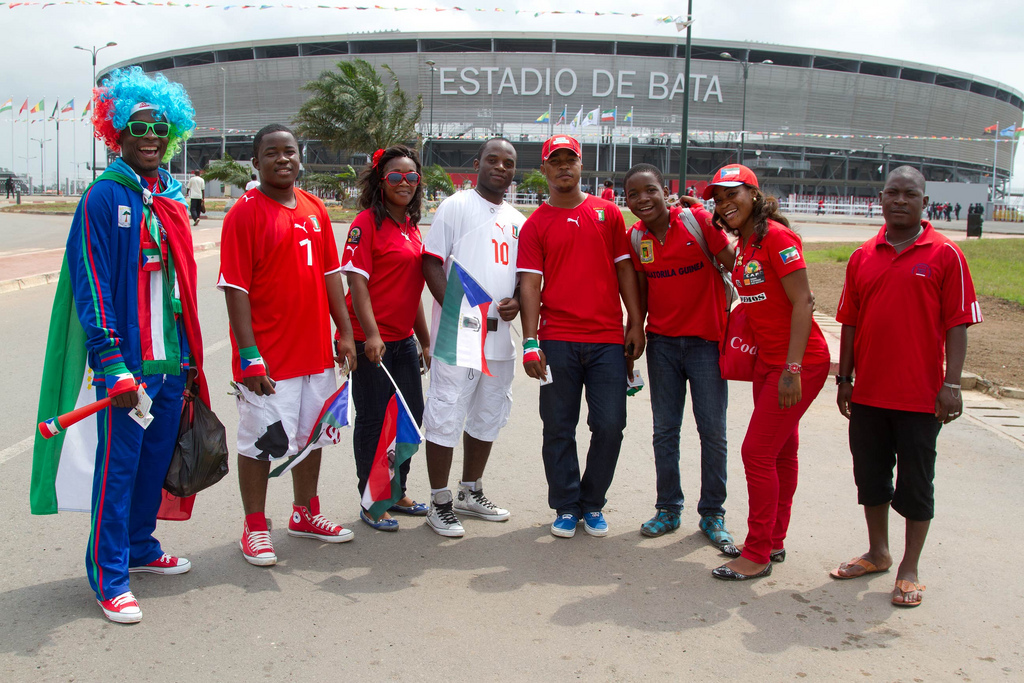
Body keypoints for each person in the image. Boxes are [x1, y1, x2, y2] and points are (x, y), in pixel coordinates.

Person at [32, 67, 206, 623]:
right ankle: (109, 576)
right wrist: (112, 362)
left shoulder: (170, 196)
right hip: (128, 363)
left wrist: (188, 357)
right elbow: (92, 282)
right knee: (119, 470)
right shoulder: (104, 197)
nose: (151, 137)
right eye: (139, 127)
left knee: (154, 463)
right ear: (117, 133)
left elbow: (179, 286)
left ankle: (139, 545)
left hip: (170, 358)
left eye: (160, 127)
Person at [832, 166, 982, 608]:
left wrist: (952, 384)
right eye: (892, 193)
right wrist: (844, 379)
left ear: (924, 202)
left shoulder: (945, 254)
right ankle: (878, 553)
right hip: (868, 394)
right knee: (870, 477)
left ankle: (909, 568)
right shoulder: (862, 256)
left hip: (920, 397)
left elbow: (958, 324)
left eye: (910, 194)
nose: (900, 200)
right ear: (881, 198)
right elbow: (849, 322)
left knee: (916, 484)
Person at [218, 123, 358, 567]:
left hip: (315, 354)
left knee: (312, 437)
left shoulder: (315, 208)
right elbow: (235, 288)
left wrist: (345, 332)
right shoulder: (244, 214)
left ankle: (305, 513)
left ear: (300, 157)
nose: (283, 159)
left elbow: (331, 276)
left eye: (290, 151)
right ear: (255, 162)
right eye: (272, 152)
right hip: (269, 360)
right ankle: (255, 526)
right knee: (260, 441)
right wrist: (249, 356)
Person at [704, 164, 831, 581]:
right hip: (767, 362)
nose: (725, 204)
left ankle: (757, 553)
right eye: (718, 199)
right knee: (780, 452)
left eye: (733, 194)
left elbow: (804, 301)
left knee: (756, 453)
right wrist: (700, 216)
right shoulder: (746, 241)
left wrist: (792, 368)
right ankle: (773, 539)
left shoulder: (776, 236)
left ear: (754, 195)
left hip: (797, 363)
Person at [516, 134, 645, 539]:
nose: (563, 167)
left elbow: (625, 269)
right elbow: (530, 285)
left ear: (580, 164)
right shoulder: (535, 224)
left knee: (610, 424)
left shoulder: (607, 214)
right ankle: (567, 505)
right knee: (558, 426)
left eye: (569, 159)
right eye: (555, 161)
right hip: (557, 340)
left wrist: (635, 321)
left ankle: (592, 502)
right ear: (544, 169)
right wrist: (531, 342)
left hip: (607, 340)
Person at [623, 163, 736, 546]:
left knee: (713, 432)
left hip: (707, 343)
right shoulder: (636, 237)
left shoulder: (696, 221)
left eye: (650, 190)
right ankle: (668, 508)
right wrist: (636, 328)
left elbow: (735, 264)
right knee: (665, 431)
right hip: (663, 346)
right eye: (634, 194)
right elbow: (640, 289)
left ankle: (713, 513)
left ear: (665, 192)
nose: (643, 199)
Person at [420, 138, 525, 537]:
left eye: (508, 163)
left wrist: (517, 301)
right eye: (492, 160)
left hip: (499, 339)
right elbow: (431, 262)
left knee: (487, 416)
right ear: (477, 163)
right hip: (458, 337)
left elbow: (524, 278)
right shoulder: (456, 205)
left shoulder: (519, 221)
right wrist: (457, 312)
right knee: (445, 416)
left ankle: (470, 491)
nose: (500, 167)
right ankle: (439, 501)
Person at [342, 145, 431, 531]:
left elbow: (413, 291)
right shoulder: (365, 224)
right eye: (396, 176)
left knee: (411, 417)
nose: (404, 183)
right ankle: (372, 500)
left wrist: (425, 341)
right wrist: (372, 335)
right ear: (381, 181)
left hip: (403, 341)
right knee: (375, 421)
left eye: (412, 177)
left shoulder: (412, 228)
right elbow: (356, 282)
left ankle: (396, 490)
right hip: (371, 342)